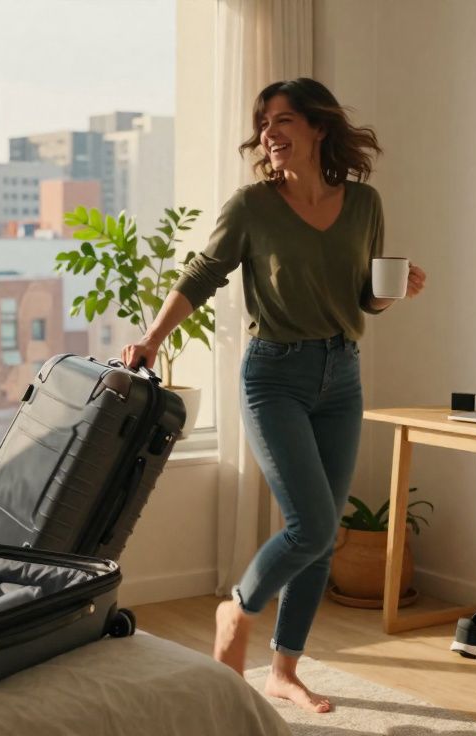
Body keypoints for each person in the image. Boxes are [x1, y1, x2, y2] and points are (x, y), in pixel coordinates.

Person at [121, 78, 425, 713]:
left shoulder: (364, 203)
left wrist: (394, 292)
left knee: (320, 530)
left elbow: (364, 296)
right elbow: (201, 274)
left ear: (318, 128)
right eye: (264, 124)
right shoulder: (253, 205)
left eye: (283, 119)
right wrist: (152, 337)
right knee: (312, 525)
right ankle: (238, 610)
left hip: (342, 374)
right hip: (274, 377)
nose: (269, 133)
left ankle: (284, 669)